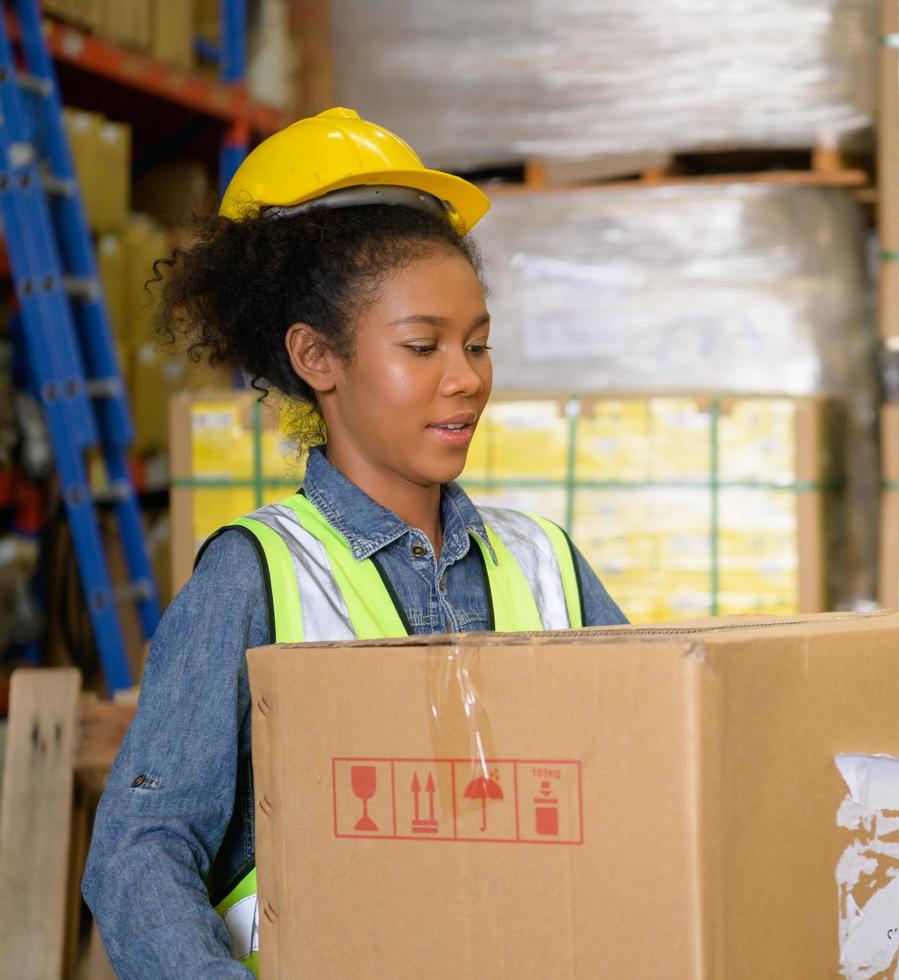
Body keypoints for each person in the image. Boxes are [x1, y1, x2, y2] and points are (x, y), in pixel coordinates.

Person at [82, 108, 627, 978]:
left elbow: (648, 778)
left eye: (479, 344)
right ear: (316, 357)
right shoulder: (254, 577)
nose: (466, 378)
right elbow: (140, 851)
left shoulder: (544, 561)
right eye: (423, 346)